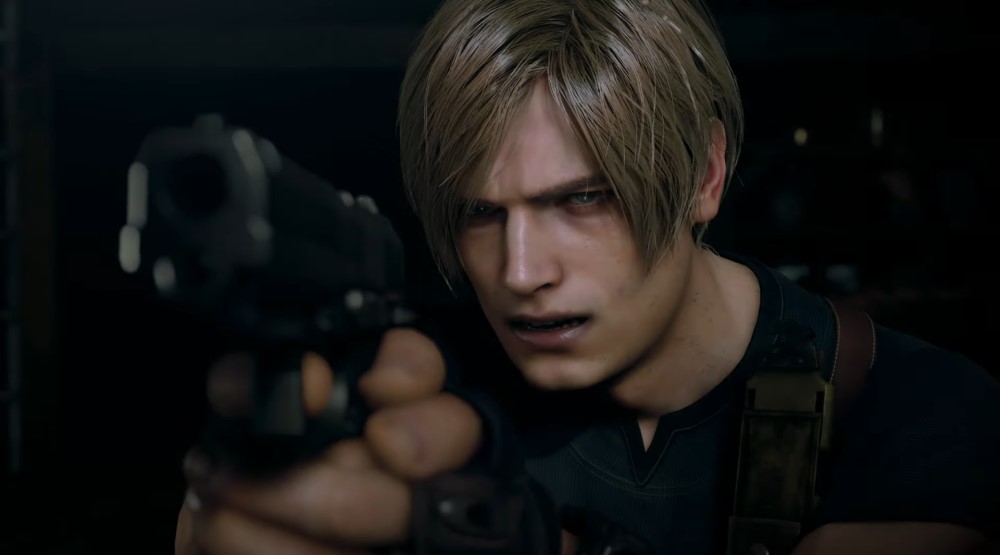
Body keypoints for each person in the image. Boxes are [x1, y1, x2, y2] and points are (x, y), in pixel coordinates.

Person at [175, 1, 1000, 554]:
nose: (520, 272)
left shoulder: (913, 410)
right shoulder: (417, 387)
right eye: (480, 212)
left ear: (706, 174)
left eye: (582, 199)